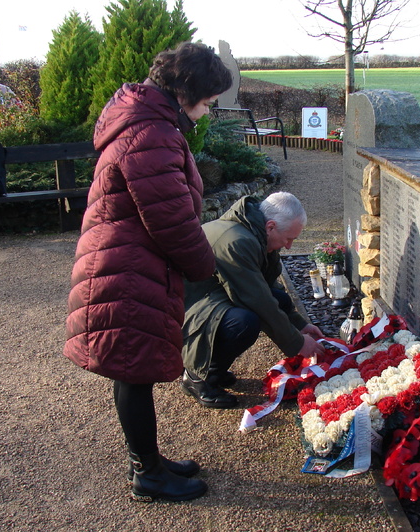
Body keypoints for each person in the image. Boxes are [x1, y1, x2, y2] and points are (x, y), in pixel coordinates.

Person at [63, 42, 232, 503]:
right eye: (208, 101)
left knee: (131, 368)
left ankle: (150, 462)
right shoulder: (151, 133)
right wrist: (206, 268)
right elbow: (171, 219)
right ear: (185, 91)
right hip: (126, 266)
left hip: (126, 259)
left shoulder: (147, 122)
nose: (207, 110)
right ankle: (147, 475)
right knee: (132, 370)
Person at [181, 191, 325, 408]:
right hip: (190, 307)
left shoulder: (254, 232)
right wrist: (297, 343)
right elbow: (257, 300)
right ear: (271, 226)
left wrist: (300, 325)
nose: (289, 247)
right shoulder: (237, 242)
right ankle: (198, 377)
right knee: (244, 323)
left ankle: (214, 369)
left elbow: (266, 288)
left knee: (280, 298)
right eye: (288, 239)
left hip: (213, 294)